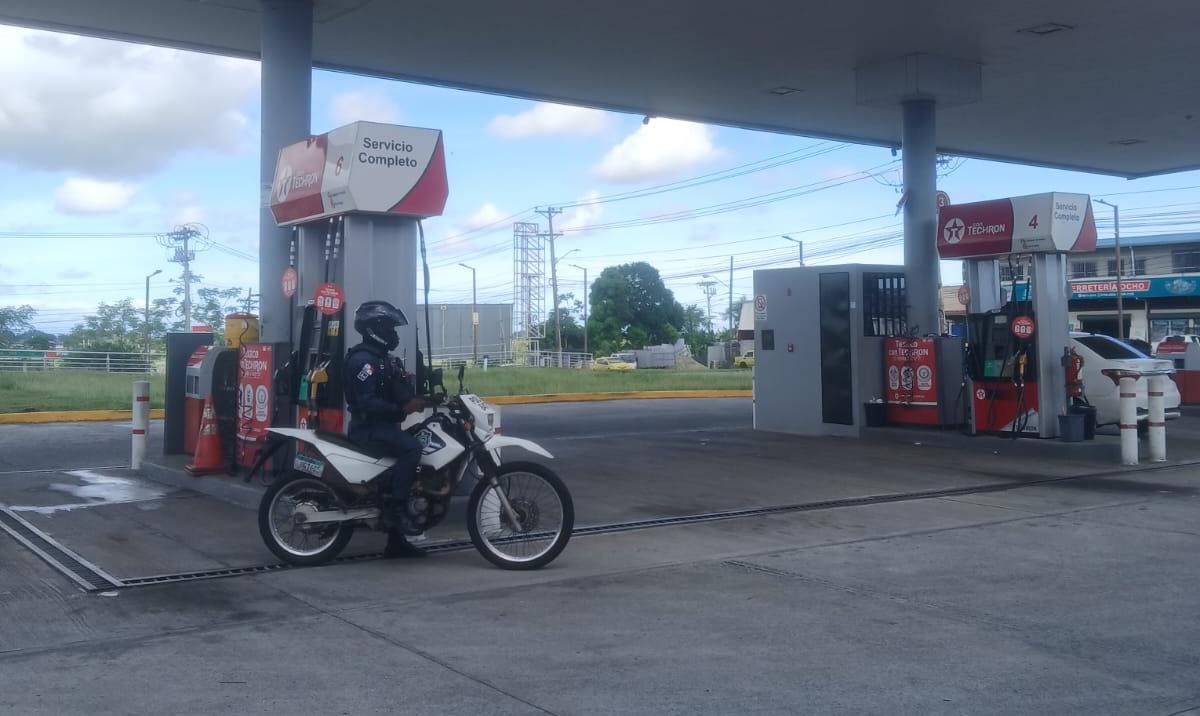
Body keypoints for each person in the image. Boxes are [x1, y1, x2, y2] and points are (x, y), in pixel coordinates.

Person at [344, 300, 427, 558]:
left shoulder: (383, 359)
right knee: (412, 449)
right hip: (368, 429)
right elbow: (367, 402)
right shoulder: (364, 361)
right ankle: (397, 510)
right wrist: (401, 411)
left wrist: (426, 399)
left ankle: (396, 543)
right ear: (374, 329)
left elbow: (398, 392)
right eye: (389, 328)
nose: (393, 333)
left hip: (382, 427)